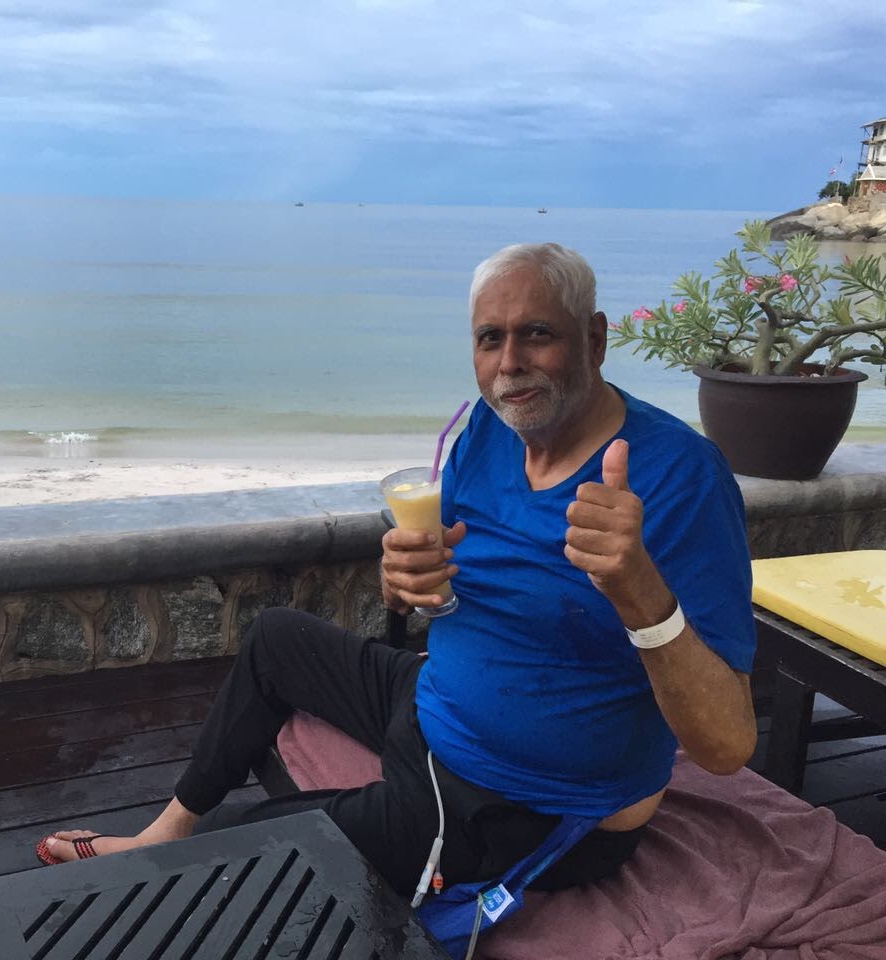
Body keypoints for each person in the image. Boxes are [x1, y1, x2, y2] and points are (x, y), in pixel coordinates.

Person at [38, 242, 757, 904]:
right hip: (433, 704)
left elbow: (726, 747)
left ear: (594, 339)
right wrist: (410, 587)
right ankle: (165, 828)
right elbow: (453, 594)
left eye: (537, 332)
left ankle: (174, 870)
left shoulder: (681, 478)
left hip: (525, 803)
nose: (509, 362)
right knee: (277, 638)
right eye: (489, 338)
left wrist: (641, 594)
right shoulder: (485, 430)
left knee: (261, 840)